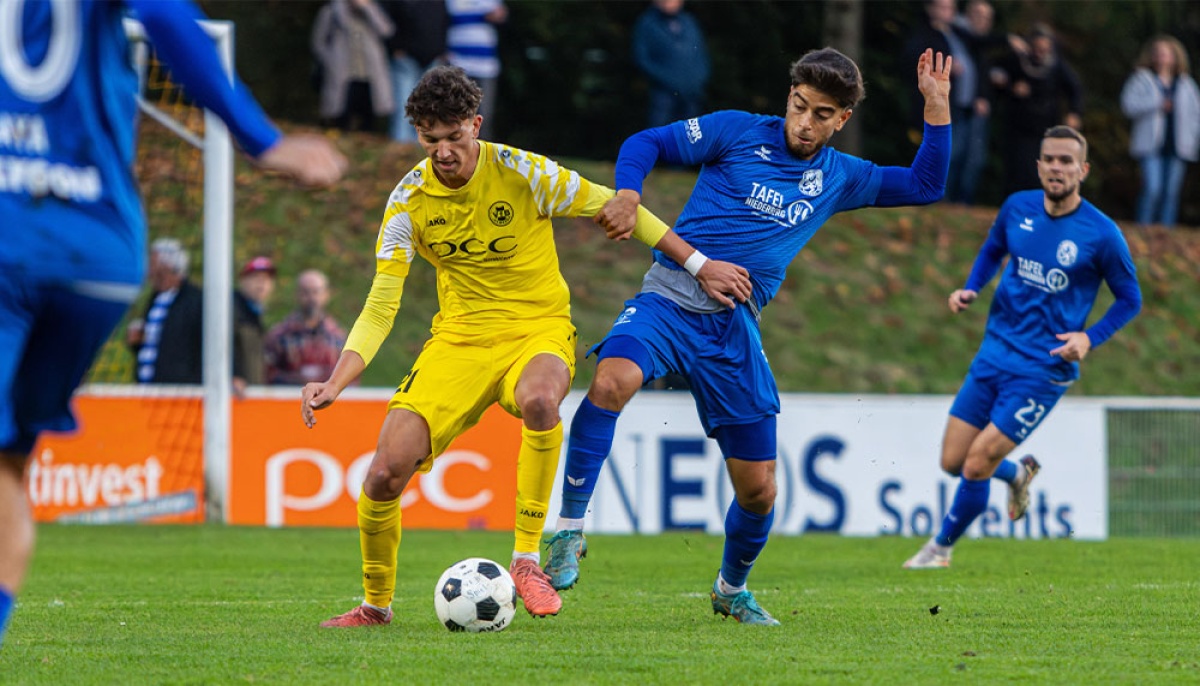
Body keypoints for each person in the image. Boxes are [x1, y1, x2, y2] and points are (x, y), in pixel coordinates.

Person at [303, 65, 749, 627]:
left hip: (538, 329)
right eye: (430, 140)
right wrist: (335, 382)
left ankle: (526, 560)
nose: (443, 152)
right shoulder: (407, 203)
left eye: (454, 137)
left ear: (476, 125)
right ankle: (375, 606)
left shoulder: (524, 172)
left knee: (541, 400)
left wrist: (701, 265)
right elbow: (380, 304)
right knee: (383, 474)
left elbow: (621, 208)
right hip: (459, 342)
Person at [543, 48, 953, 626]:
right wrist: (630, 193)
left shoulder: (841, 177)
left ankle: (730, 589)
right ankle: (567, 531)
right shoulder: (736, 131)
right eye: (799, 106)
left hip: (734, 329)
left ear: (843, 120)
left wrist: (937, 108)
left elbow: (925, 184)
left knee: (759, 491)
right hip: (668, 298)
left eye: (822, 114)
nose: (805, 123)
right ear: (788, 99)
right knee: (610, 381)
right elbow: (647, 141)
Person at [0, 0, 346, 649]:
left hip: (8, 235)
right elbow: (162, 11)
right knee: (9, 467)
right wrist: (263, 141)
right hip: (98, 254)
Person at [903, 126, 1142, 570]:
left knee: (976, 463)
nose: (1057, 167)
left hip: (1042, 369)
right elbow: (993, 249)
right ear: (1038, 165)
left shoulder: (1102, 234)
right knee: (952, 461)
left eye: (1067, 161)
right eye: (1049, 159)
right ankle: (1017, 472)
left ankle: (939, 550)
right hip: (994, 352)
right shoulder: (1017, 207)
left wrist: (1089, 337)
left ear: (1082, 170)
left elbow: (1131, 299)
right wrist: (971, 288)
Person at [992, 23, 1083, 196]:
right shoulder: (1017, 60)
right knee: (1017, 168)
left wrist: (1074, 112)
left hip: (1045, 125)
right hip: (1018, 124)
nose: (1041, 52)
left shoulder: (1056, 66)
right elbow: (995, 74)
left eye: (1045, 49)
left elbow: (1075, 88)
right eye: (1037, 48)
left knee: (1039, 169)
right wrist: (1011, 87)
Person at [1120, 35, 1200, 229]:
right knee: (1152, 188)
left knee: (1171, 193)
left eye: (1166, 53)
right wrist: (1156, 104)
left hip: (1178, 145)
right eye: (1158, 53)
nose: (1162, 57)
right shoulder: (1141, 78)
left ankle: (1166, 233)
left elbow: (1196, 114)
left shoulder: (1186, 84)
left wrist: (1193, 139)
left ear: (1175, 56)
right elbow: (1128, 105)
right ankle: (1144, 228)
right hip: (1150, 145)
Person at [127, 238, 204, 384]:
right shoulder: (155, 299)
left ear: (167, 266)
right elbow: (156, 345)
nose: (148, 269)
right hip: (146, 390)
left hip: (177, 395)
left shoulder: (195, 300)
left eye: (152, 262)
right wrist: (137, 343)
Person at [312, 0, 395, 132]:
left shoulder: (373, 9)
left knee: (369, 122)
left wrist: (368, 8)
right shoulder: (331, 11)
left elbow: (387, 30)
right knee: (340, 119)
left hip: (370, 76)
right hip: (342, 76)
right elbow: (318, 42)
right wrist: (330, 61)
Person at [631, 0, 710, 128]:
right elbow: (642, 58)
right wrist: (668, 79)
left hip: (692, 91)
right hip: (663, 92)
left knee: (690, 136)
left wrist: (699, 78)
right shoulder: (647, 23)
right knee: (660, 134)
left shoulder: (689, 21)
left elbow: (701, 53)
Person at [382, 0, 450, 143]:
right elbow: (385, 22)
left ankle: (424, 145)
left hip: (433, 58)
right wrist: (395, 48)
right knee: (404, 104)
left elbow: (444, 22)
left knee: (430, 106)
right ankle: (401, 145)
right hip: (406, 58)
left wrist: (442, 50)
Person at [265, 269, 348, 385]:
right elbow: (267, 374)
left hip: (330, 401)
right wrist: (299, 381)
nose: (311, 298)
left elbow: (350, 377)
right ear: (297, 295)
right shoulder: (280, 335)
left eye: (316, 292)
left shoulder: (338, 337)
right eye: (306, 292)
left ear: (326, 295)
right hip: (289, 399)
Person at [446, 0, 507, 140]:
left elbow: (502, 16)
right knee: (456, 112)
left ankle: (482, 152)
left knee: (484, 115)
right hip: (457, 64)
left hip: (486, 66)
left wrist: (497, 16)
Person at [232, 257, 277, 395]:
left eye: (266, 279)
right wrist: (233, 374)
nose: (261, 283)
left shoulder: (256, 314)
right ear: (243, 281)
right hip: (233, 397)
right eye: (255, 277)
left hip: (250, 397)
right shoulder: (230, 309)